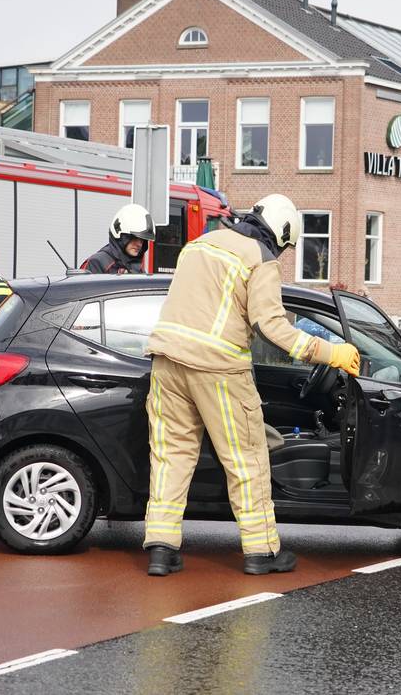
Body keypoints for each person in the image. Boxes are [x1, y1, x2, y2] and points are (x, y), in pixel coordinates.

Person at [140, 194, 361, 576]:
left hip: (166, 362)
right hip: (218, 370)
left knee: (170, 456)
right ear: (282, 232)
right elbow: (271, 327)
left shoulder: (199, 245)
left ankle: (162, 548)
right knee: (247, 460)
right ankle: (261, 552)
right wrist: (330, 353)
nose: (282, 252)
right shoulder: (259, 259)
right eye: (286, 245)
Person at [82, 203, 154, 274]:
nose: (139, 244)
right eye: (134, 238)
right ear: (121, 237)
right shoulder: (97, 263)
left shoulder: (137, 267)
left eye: (142, 240)